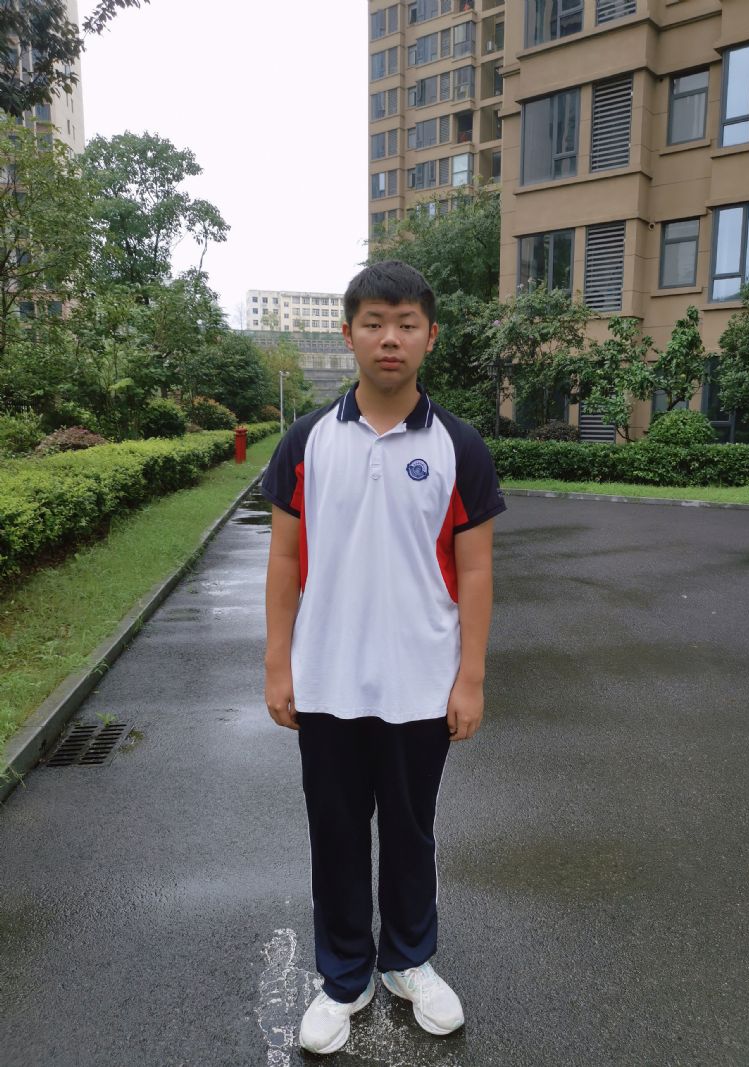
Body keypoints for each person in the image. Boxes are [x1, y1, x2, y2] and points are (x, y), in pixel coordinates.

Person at [261, 260, 505, 1055]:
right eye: (373, 322)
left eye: (405, 323)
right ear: (349, 334)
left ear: (431, 336)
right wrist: (278, 665)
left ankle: (408, 960)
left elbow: (475, 571)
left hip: (420, 683)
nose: (389, 337)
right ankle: (344, 977)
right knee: (335, 832)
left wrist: (470, 677)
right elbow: (284, 559)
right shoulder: (307, 442)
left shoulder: (459, 446)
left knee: (410, 830)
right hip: (327, 679)